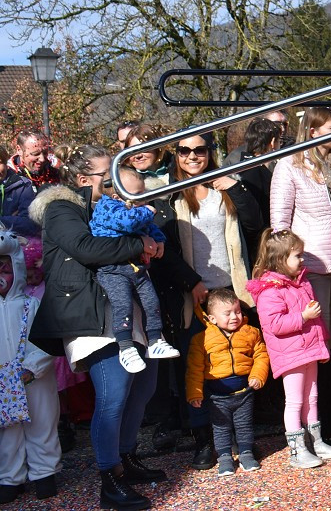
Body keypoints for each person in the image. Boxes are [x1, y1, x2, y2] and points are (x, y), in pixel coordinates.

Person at [28, 145, 168, 510]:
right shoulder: (61, 208)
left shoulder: (105, 206)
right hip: (89, 313)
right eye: (109, 177)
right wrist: (139, 242)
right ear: (82, 179)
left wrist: (149, 238)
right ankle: (111, 478)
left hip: (120, 308)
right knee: (114, 394)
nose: (115, 183)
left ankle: (126, 456)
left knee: (144, 386)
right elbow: (88, 248)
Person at [159, 132, 262, 470]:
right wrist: (191, 282)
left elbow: (254, 223)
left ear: (210, 152)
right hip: (193, 297)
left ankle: (242, 438)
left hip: (231, 290)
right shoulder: (170, 192)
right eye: (185, 150)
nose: (192, 156)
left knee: (237, 363)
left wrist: (233, 186)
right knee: (197, 369)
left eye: (199, 149)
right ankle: (204, 440)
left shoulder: (225, 187)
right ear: (176, 154)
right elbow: (165, 249)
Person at [270, 106, 331, 447]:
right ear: (313, 131)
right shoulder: (290, 167)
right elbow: (280, 222)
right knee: (315, 345)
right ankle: (314, 424)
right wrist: (290, 264)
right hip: (310, 268)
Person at [246, 228, 331, 469]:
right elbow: (275, 325)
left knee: (312, 397)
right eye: (297, 256)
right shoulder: (270, 291)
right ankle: (297, 449)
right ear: (280, 260)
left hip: (308, 349)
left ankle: (315, 441)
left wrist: (322, 343)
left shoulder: (300, 283)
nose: (302, 260)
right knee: (295, 401)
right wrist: (303, 316)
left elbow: (316, 319)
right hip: (291, 354)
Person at [88, 165, 181, 372]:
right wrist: (146, 211)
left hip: (137, 268)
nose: (145, 198)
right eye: (138, 194)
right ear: (117, 195)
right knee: (123, 306)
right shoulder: (108, 208)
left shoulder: (135, 210)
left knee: (152, 302)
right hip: (112, 270)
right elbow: (129, 223)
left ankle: (156, 340)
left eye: (144, 193)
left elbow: (150, 228)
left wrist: (159, 240)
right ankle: (125, 346)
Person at [0, 234, 60, 504]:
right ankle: (10, 477)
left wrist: (33, 367)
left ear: (16, 267)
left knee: (42, 422)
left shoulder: (32, 305)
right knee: (7, 431)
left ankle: (45, 472)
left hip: (34, 379)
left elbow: (47, 341)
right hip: (3, 384)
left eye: (4, 267)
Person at [185, 287, 270, 477]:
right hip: (217, 395)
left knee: (244, 425)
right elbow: (195, 369)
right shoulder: (202, 339)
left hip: (244, 391)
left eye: (238, 311)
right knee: (221, 427)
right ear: (212, 318)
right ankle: (224, 457)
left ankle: (246, 453)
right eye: (228, 313)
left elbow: (261, 355)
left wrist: (257, 375)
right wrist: (195, 393)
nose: (234, 317)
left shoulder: (250, 332)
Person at [0, 145, 39, 236]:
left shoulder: (23, 186)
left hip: (15, 246)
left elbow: (30, 224)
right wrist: (12, 219)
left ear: (6, 164)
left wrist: (2, 221)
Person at [121, 124, 172, 191]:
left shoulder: (178, 167)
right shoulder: (123, 180)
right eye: (132, 151)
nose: (137, 156)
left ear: (157, 148)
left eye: (144, 149)